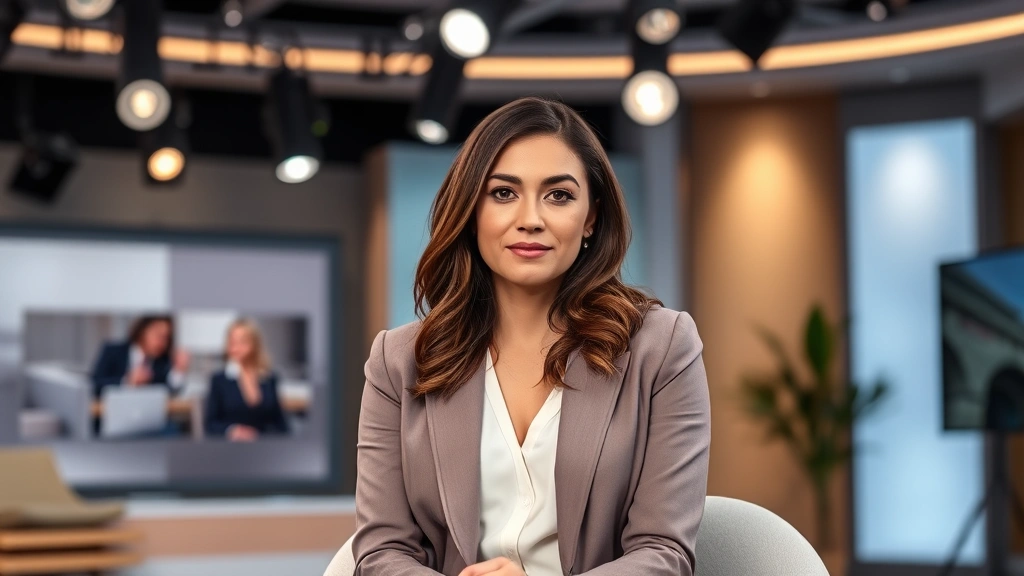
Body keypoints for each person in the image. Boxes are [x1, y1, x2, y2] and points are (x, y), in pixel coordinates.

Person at [354, 97, 711, 576]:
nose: (531, 219)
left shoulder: (663, 347)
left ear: (591, 218)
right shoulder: (397, 360)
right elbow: (380, 552)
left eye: (558, 195)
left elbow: (664, 552)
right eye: (503, 193)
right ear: (471, 210)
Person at [204, 318, 288, 441]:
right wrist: (232, 431)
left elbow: (281, 424)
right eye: (232, 342)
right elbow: (210, 425)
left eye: (242, 342)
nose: (236, 347)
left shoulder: (269, 378)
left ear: (254, 344)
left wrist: (259, 436)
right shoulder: (219, 380)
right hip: (231, 448)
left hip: (264, 447)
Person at [91, 315, 190, 398]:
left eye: (166, 338)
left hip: (149, 417)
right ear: (143, 331)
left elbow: (170, 392)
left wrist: (178, 370)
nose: (162, 342)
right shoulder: (113, 351)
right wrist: (127, 381)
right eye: (158, 335)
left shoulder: (162, 361)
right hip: (112, 414)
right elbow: (95, 385)